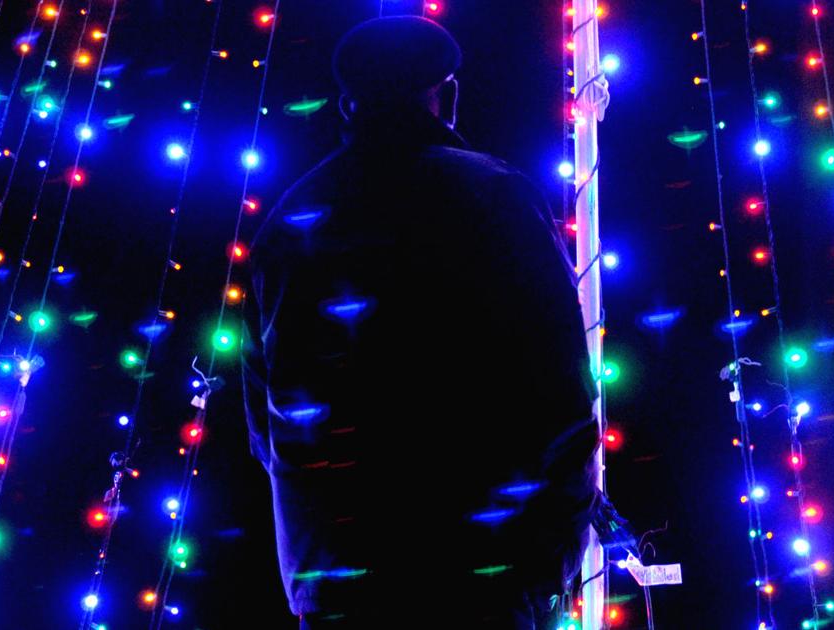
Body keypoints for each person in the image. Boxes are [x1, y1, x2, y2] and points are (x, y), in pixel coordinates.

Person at [241, 16, 600, 628]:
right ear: (449, 95)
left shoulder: (288, 222)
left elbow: (265, 421)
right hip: (477, 574)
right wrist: (547, 559)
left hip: (336, 581)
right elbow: (561, 392)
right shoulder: (495, 196)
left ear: (346, 105)